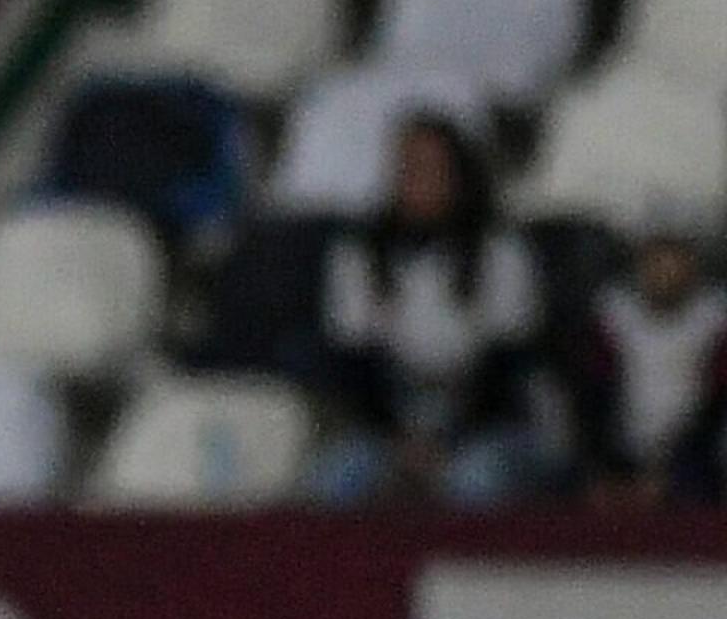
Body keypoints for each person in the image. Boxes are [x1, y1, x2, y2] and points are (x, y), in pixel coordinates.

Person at [310, 112, 552, 508]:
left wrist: (447, 440)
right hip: (390, 418)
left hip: (485, 419)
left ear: (458, 176)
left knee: (473, 481)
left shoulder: (501, 251)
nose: (416, 180)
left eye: (431, 169)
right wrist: (400, 440)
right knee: (333, 480)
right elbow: (354, 362)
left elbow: (507, 365)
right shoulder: (359, 252)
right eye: (407, 168)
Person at [571, 229, 727, 503]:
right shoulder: (615, 312)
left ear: (692, 266)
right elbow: (595, 391)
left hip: (696, 449)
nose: (665, 275)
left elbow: (718, 400)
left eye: (675, 265)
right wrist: (606, 464)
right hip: (625, 444)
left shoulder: (715, 316)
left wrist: (671, 468)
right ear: (641, 265)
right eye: (656, 264)